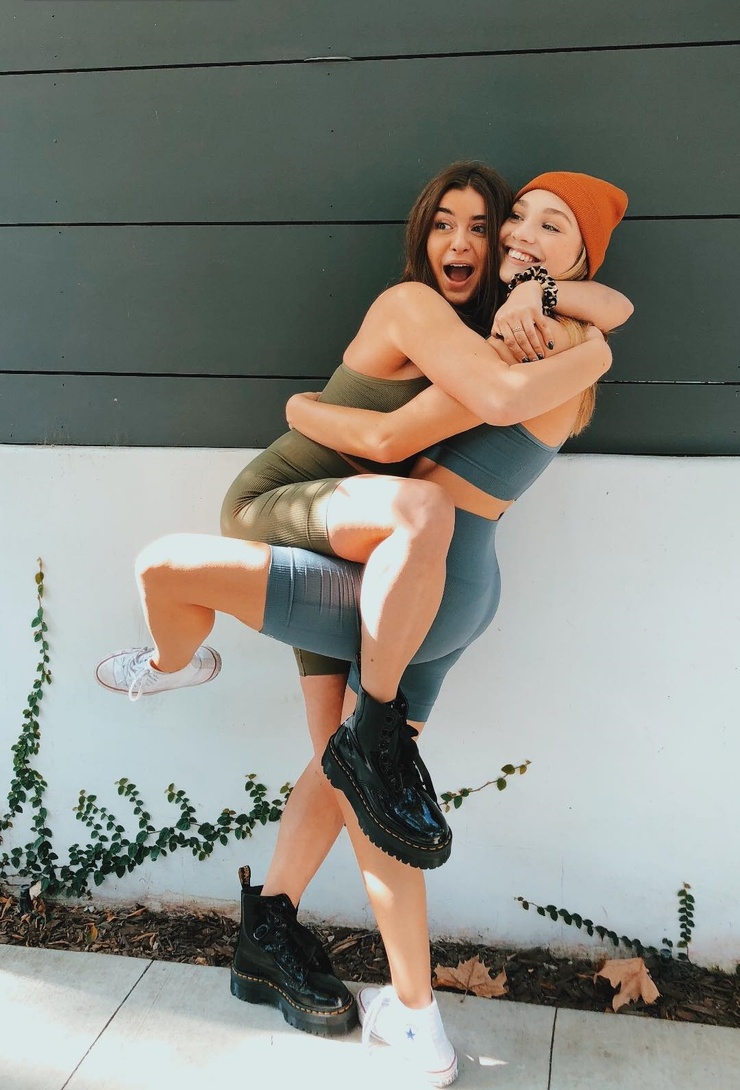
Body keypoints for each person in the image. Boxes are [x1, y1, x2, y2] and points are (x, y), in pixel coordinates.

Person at [96, 168, 629, 1085]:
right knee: (343, 770)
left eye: (548, 228)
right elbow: (605, 314)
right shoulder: (561, 337)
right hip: (442, 585)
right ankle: (298, 946)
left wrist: (300, 408)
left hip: (408, 578)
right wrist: (563, 311)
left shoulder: (531, 343)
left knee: (351, 754)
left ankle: (413, 1011)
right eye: (516, 224)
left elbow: (392, 445)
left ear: (578, 256)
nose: (515, 239)